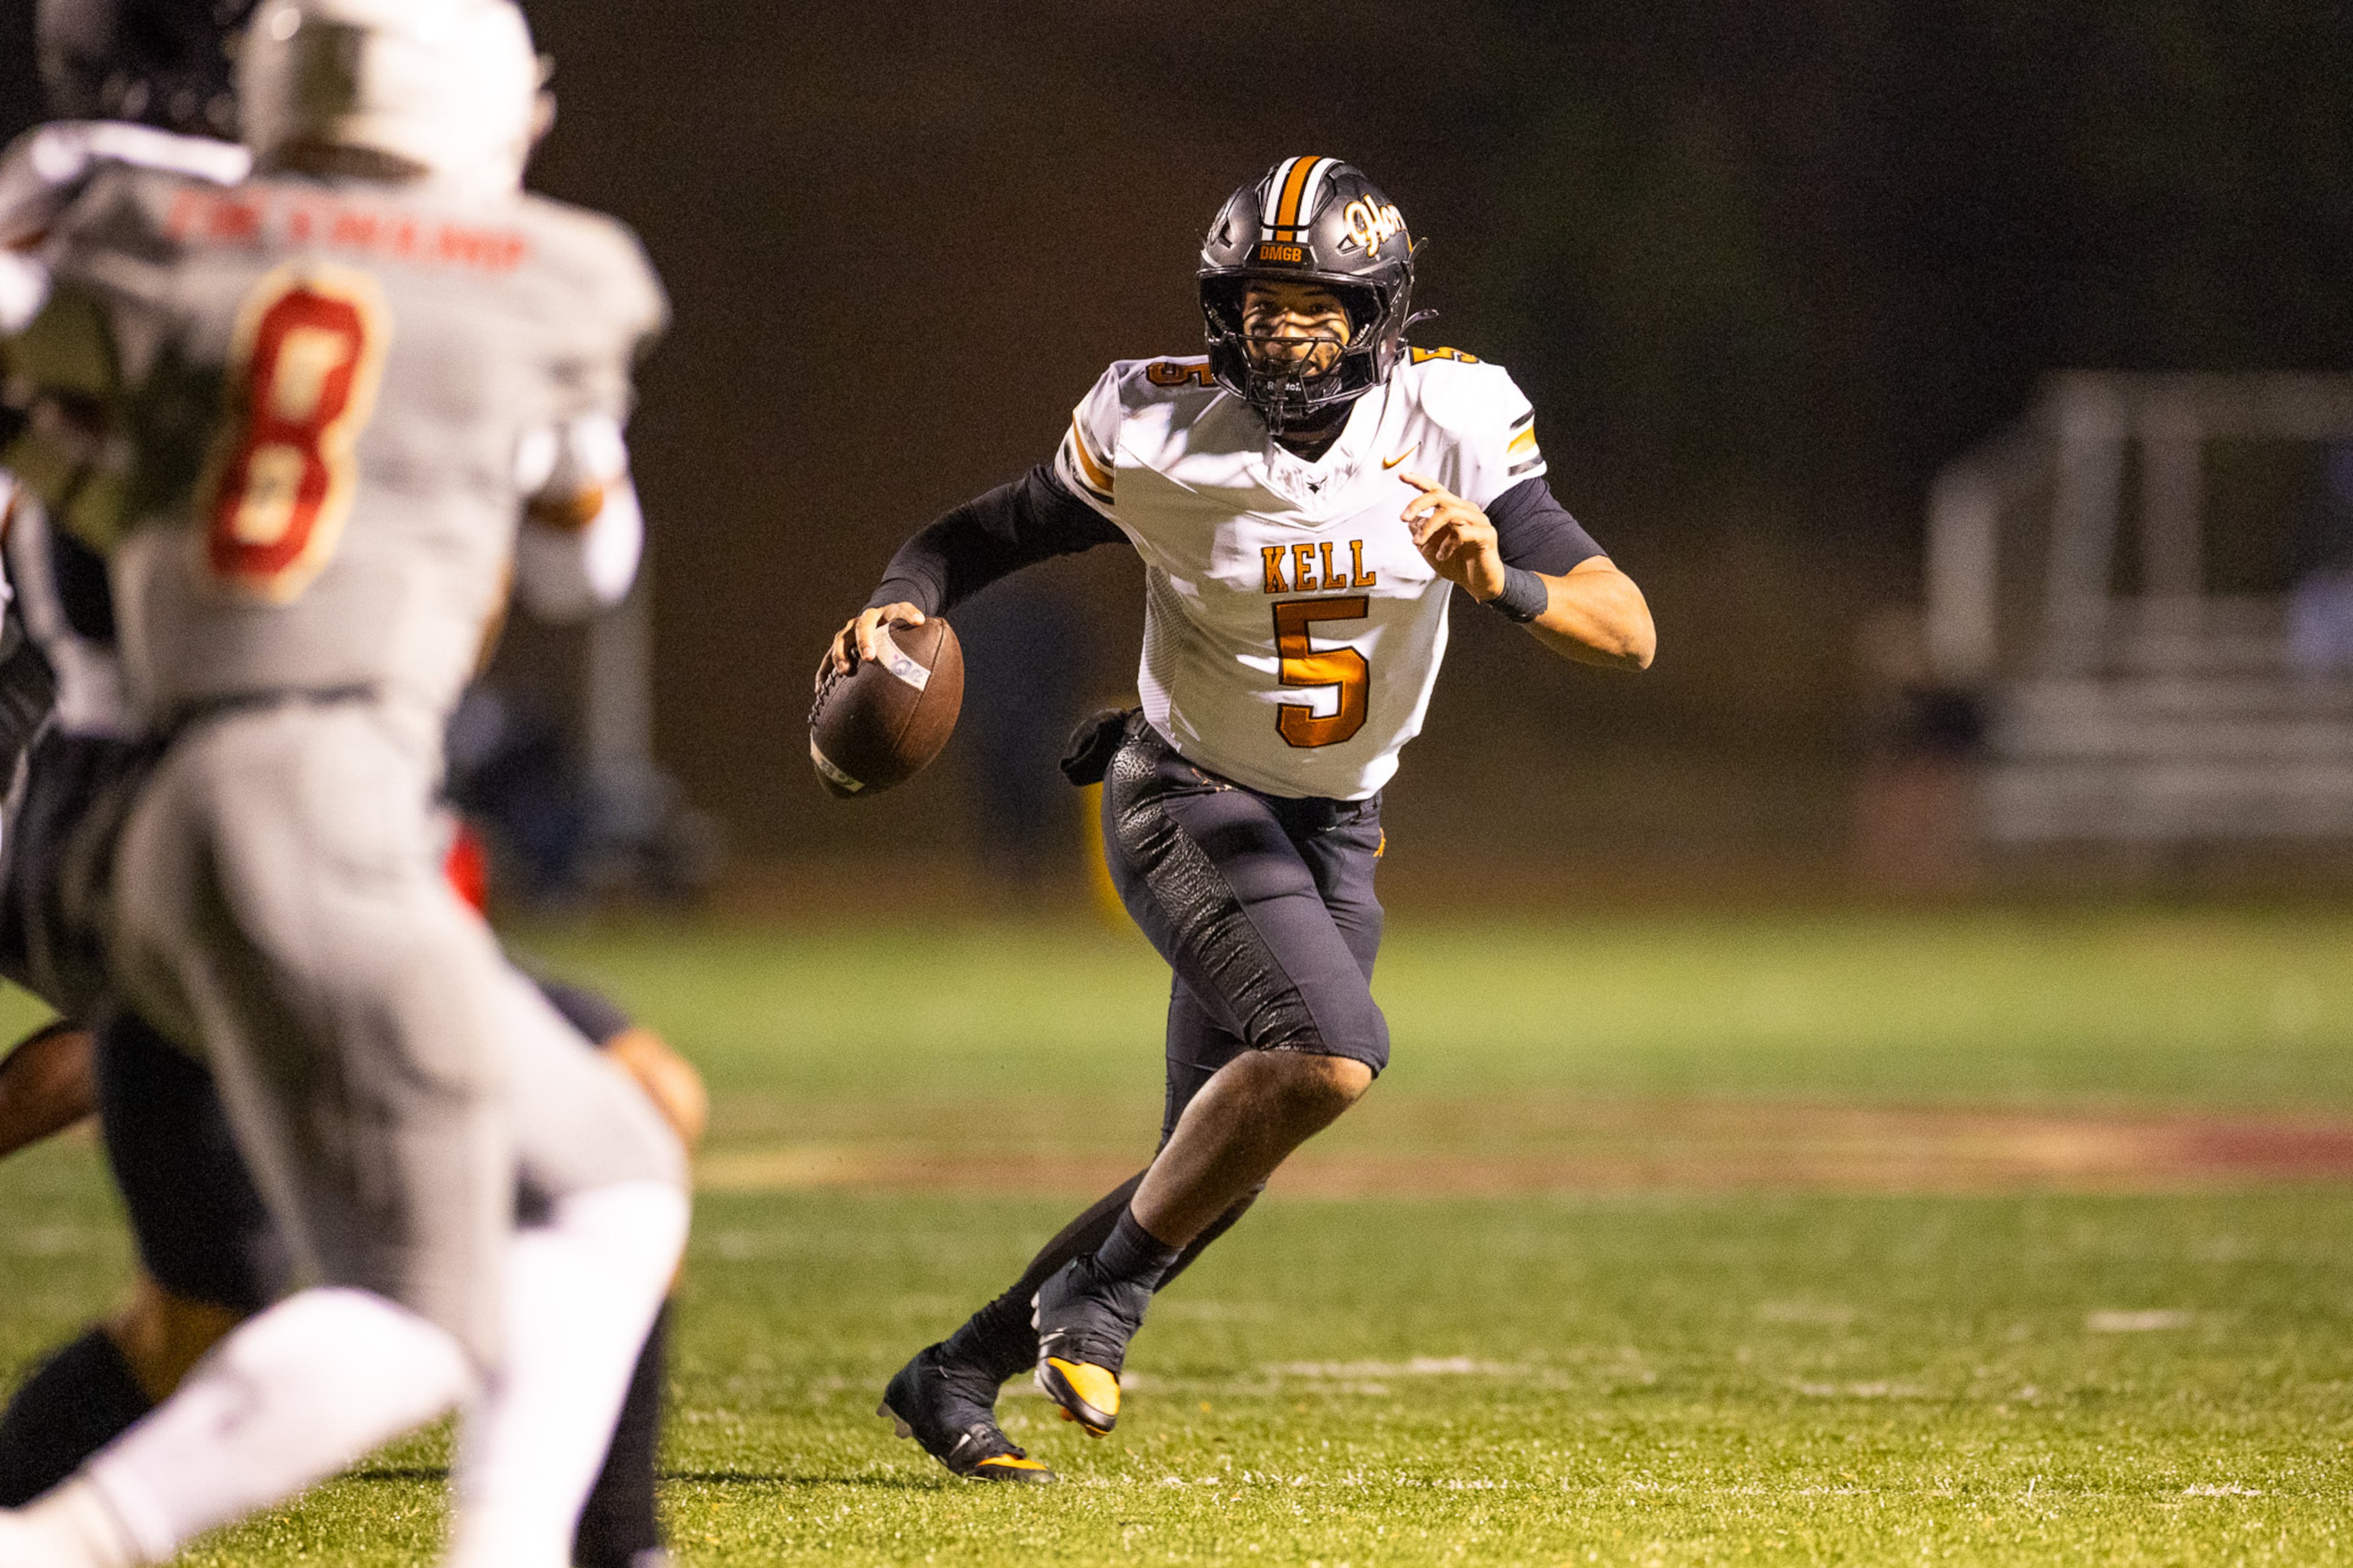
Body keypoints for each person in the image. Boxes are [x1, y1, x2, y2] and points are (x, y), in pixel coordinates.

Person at [836, 156, 1655, 1482]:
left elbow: (1629, 633)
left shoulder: (1453, 416)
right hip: (1187, 796)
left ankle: (955, 1367)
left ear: (1378, 310)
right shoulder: (1157, 425)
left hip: (1337, 822)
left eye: (1315, 303)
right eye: (1258, 303)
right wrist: (900, 588)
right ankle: (1098, 1309)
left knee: (1216, 1154)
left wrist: (1504, 580)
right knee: (1332, 1054)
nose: (1282, 331)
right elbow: (981, 534)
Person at [0, 2, 688, 1564]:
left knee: (614, 1168)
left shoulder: (145, 230)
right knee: (419, 1298)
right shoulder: (547, 276)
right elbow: (590, 557)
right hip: (314, 786)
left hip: (151, 801)